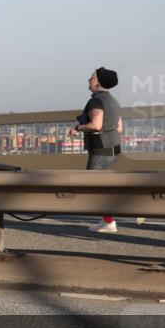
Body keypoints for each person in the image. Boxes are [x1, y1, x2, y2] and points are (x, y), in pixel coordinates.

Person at [70, 67, 123, 233]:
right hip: (113, 148)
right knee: (102, 185)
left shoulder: (96, 101)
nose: (89, 80)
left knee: (92, 185)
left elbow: (96, 125)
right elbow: (119, 128)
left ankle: (109, 221)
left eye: (91, 78)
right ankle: (107, 220)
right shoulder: (113, 101)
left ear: (98, 83)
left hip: (101, 149)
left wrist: (78, 128)